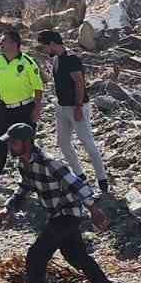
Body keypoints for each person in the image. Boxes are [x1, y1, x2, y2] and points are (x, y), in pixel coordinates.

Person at [0, 122, 112, 283]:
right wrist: (8, 207)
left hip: (68, 213)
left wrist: (93, 209)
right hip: (56, 214)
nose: (10, 147)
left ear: (26, 143)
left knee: (36, 255)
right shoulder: (23, 163)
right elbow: (24, 187)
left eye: (13, 143)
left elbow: (76, 184)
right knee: (75, 256)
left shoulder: (49, 162)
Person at [38, 30, 109, 194]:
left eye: (45, 47)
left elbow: (79, 83)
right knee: (63, 142)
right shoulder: (55, 59)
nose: (44, 51)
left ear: (52, 44)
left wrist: (78, 106)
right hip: (62, 107)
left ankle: (102, 179)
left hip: (77, 107)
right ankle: (79, 175)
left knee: (87, 143)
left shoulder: (71, 59)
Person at [0, 27, 43, 190]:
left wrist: (37, 109)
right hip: (4, 109)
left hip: (24, 109)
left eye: (4, 40)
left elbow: (38, 88)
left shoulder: (27, 62)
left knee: (26, 145)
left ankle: (30, 180)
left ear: (14, 43)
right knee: (1, 142)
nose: (0, 43)